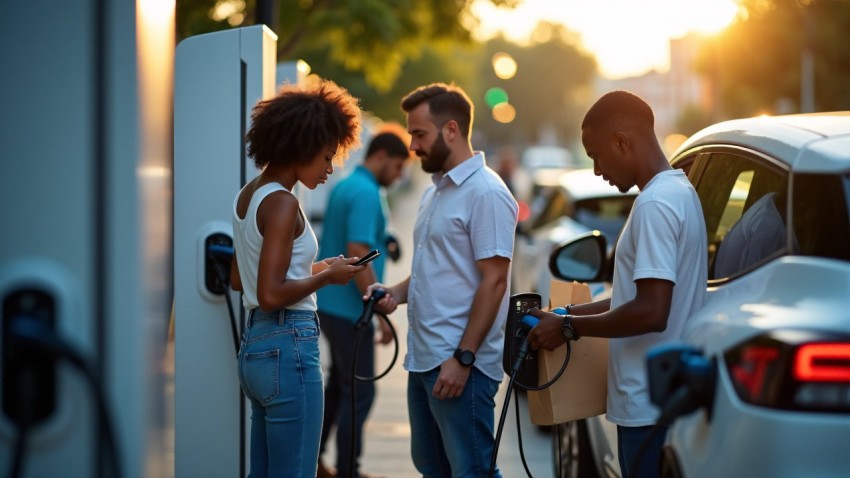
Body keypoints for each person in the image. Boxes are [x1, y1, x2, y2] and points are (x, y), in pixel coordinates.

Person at [525, 90, 707, 478]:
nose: (595, 170)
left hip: (648, 409)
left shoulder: (656, 205)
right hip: (660, 403)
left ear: (622, 141)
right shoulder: (679, 193)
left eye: (596, 155)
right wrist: (566, 314)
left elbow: (651, 312)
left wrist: (570, 327)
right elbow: (631, 298)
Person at [366, 83, 519, 477]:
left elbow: (495, 282)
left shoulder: (486, 192)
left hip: (459, 366)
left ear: (451, 129)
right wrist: (394, 294)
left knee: (472, 471)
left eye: (419, 134)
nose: (412, 147)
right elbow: (435, 270)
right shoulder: (434, 193)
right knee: (432, 468)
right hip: (425, 360)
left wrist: (463, 358)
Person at [228, 78, 366, 478]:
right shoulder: (284, 203)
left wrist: (325, 269)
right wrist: (324, 280)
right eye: (325, 157)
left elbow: (242, 279)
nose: (329, 168)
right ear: (301, 147)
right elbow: (271, 293)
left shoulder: (249, 194)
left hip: (256, 347)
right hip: (289, 344)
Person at [316, 129, 411, 478]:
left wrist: (387, 239)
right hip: (349, 310)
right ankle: (347, 471)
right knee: (361, 392)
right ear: (383, 156)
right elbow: (357, 252)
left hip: (332, 305)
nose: (400, 175)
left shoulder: (349, 185)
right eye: (399, 166)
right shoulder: (367, 193)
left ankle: (315, 461)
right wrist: (381, 314)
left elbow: (361, 238)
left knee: (340, 386)